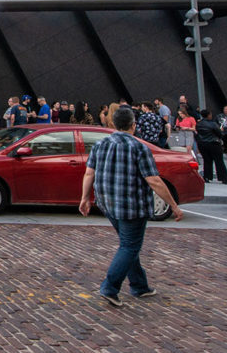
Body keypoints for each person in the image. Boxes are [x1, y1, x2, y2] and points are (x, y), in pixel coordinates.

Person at [78, 106, 183, 305]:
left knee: (128, 245)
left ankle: (139, 286)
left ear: (113, 124)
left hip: (108, 204)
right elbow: (154, 180)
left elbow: (89, 173)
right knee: (129, 246)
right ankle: (110, 287)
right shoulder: (139, 147)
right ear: (133, 125)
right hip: (132, 206)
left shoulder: (100, 145)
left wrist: (84, 198)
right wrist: (174, 206)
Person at [195, 108, 227, 184]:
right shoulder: (213, 124)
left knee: (207, 160)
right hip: (214, 143)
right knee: (219, 161)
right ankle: (224, 178)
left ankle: (207, 177)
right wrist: (221, 133)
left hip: (202, 144)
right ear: (209, 115)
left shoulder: (199, 124)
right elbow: (220, 134)